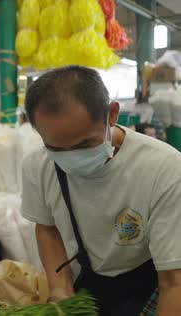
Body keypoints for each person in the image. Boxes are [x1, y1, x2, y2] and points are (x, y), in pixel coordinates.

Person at [21, 66, 181, 315]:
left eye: (84, 144)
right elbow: (46, 227)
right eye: (56, 148)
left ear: (112, 114)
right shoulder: (38, 166)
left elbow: (174, 282)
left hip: (152, 280)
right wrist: (60, 288)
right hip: (87, 282)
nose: (72, 158)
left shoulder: (163, 169)